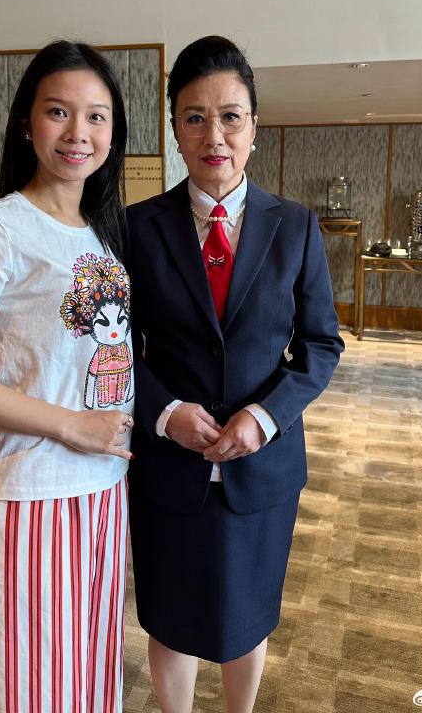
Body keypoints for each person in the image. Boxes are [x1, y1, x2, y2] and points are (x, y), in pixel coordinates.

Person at [126, 35, 344, 713]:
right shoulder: (136, 228)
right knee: (170, 616)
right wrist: (165, 412)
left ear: (254, 125)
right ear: (175, 129)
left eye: (230, 117)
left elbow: (321, 345)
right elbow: (111, 349)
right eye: (194, 118)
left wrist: (265, 416)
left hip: (263, 467)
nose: (213, 136)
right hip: (169, 464)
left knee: (249, 616)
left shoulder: (296, 226)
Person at [0, 40, 134, 713]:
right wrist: (71, 425)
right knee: (29, 693)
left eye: (97, 116)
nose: (79, 132)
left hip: (103, 490)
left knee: (90, 684)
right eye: (58, 112)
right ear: (26, 124)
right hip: (28, 495)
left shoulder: (103, 234)